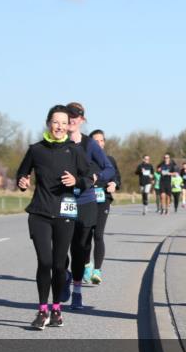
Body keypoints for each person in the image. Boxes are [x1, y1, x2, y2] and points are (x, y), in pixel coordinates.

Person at [16, 105, 94, 330]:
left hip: (65, 213)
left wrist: (77, 182)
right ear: (48, 123)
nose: (59, 126)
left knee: (60, 265)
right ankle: (42, 311)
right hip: (39, 212)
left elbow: (89, 176)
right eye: (55, 122)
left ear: (68, 126)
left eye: (64, 122)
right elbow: (22, 173)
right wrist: (22, 182)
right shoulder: (35, 149)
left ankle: (57, 308)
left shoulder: (75, 150)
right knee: (45, 262)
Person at [64, 102, 114, 306]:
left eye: (76, 116)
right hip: (62, 201)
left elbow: (108, 168)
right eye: (68, 115)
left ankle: (76, 290)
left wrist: (96, 177)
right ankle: (64, 277)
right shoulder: (57, 143)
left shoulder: (89, 145)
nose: (72, 119)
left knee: (80, 249)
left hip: (85, 201)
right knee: (60, 249)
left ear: (82, 120)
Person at [81, 129, 120, 293]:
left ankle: (97, 270)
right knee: (85, 237)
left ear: (104, 143)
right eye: (95, 141)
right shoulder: (84, 160)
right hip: (86, 200)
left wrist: (114, 184)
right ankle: (86, 265)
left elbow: (117, 178)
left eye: (101, 140)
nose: (99, 143)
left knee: (98, 234)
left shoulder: (109, 160)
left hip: (103, 200)